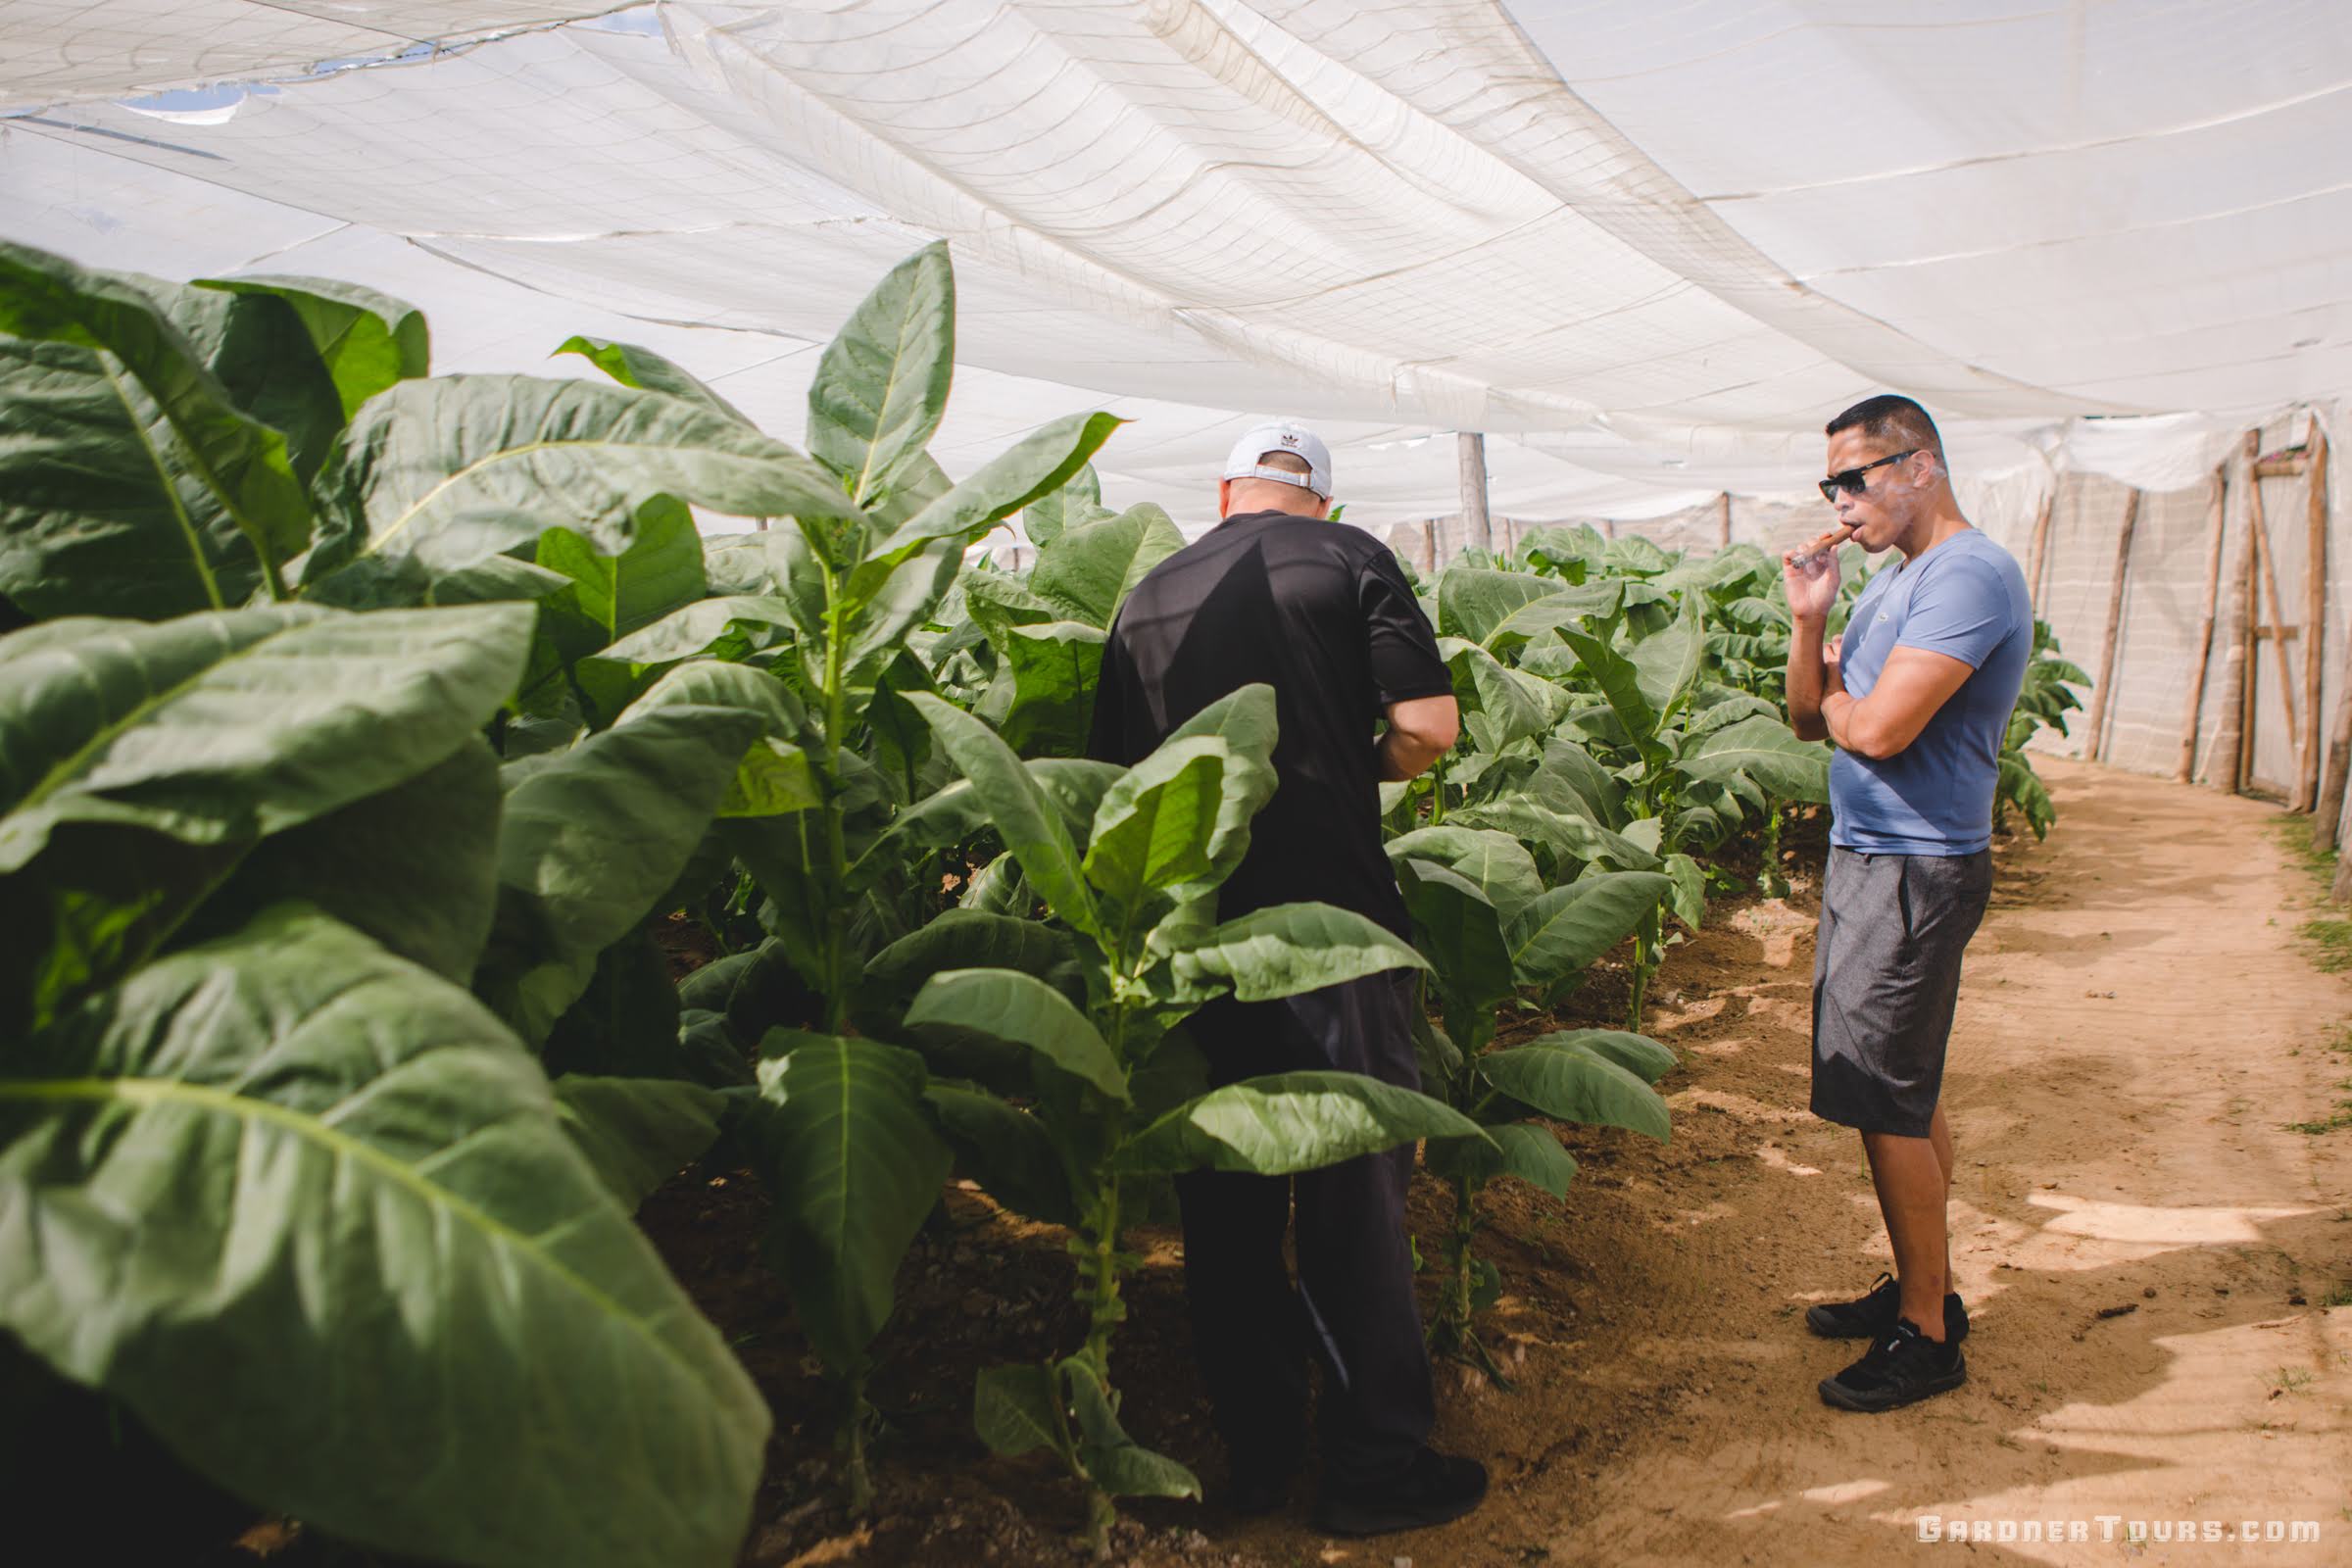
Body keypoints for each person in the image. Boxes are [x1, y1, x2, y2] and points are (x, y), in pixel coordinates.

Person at [1086, 420, 1486, 1535]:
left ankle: (1258, 1456)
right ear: (1318, 496)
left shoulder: (1149, 592)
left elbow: (1115, 786)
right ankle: (1370, 1469)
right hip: (1331, 927)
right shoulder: (1353, 558)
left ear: (1228, 492)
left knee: (1228, 1198)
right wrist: (1342, 770)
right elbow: (1428, 726)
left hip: (1197, 936)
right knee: (1355, 1190)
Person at [1782, 394, 2032, 1412]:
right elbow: (1810, 717)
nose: (1841, 501)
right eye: (1829, 484)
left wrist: (1845, 703)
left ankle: (1927, 1329)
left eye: (1857, 476)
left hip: (1916, 866)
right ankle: (1923, 1283)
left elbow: (1876, 730)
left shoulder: (1970, 575)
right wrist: (1811, 620)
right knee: (1905, 1085)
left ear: (1921, 464)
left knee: (1883, 1093)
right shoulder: (1893, 583)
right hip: (1869, 856)